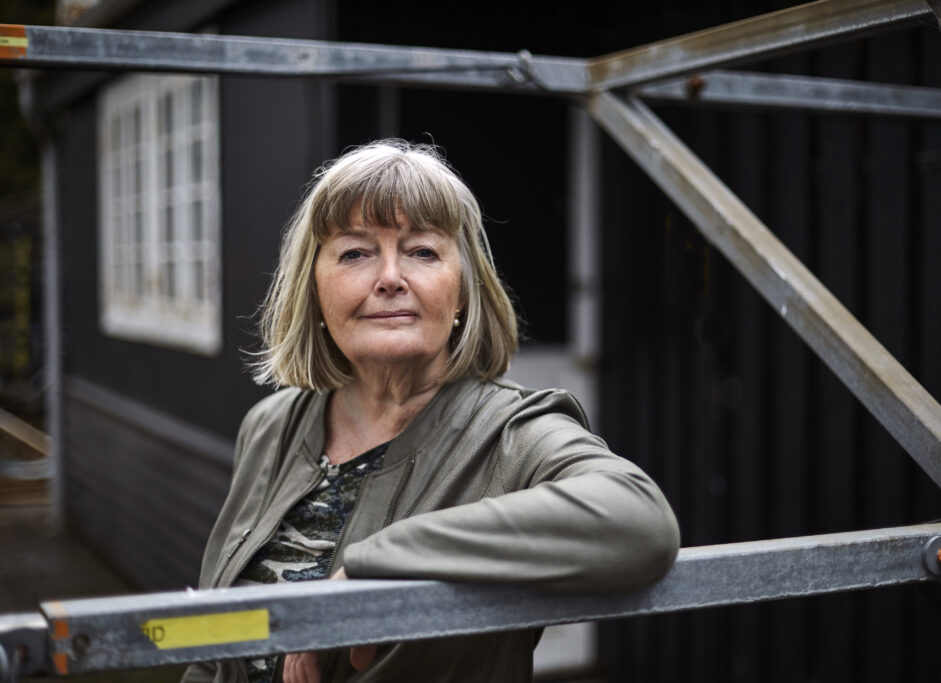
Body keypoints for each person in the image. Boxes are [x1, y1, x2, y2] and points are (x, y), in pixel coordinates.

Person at [181, 140, 679, 683]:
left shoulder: (511, 434)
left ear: (461, 291)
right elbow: (212, 645)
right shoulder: (272, 424)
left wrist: (381, 561)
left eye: (422, 251)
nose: (390, 277)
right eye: (355, 253)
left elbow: (640, 521)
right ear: (315, 288)